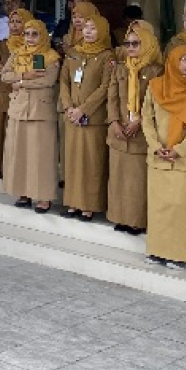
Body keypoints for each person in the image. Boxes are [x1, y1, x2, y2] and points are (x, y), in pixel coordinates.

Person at [142, 45, 186, 269]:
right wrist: (156, 146)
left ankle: (180, 254)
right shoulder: (155, 86)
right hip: (159, 156)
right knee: (159, 207)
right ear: (172, 61)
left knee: (182, 207)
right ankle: (157, 251)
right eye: (185, 59)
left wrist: (179, 149)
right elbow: (147, 119)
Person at [106, 19, 162, 235]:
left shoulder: (157, 70)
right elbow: (111, 97)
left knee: (137, 182)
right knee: (118, 178)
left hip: (142, 132)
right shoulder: (121, 68)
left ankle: (137, 220)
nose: (130, 48)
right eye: (128, 44)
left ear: (147, 44)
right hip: (119, 131)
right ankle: (120, 217)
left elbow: (157, 100)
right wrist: (113, 122)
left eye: (136, 44)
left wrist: (139, 120)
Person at [1, 18, 60, 213]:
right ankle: (23, 193)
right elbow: (4, 76)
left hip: (40, 111)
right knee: (20, 154)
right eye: (27, 34)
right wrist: (25, 76)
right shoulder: (18, 53)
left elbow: (48, 81)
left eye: (35, 34)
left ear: (43, 35)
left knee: (41, 156)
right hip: (19, 109)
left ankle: (43, 197)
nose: (30, 38)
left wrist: (20, 83)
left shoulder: (50, 56)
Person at [59, 15, 114, 221]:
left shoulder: (107, 56)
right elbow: (64, 81)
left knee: (91, 162)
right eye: (86, 28)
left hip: (92, 118)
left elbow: (105, 86)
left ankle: (89, 206)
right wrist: (68, 106)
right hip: (72, 116)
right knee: (72, 161)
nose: (88, 32)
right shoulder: (74, 53)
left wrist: (83, 109)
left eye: (93, 28)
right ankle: (73, 203)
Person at [0, 6, 31, 176]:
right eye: (12, 22)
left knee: (14, 133)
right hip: (2, 92)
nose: (14, 26)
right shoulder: (2, 44)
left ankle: (11, 167)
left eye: (19, 22)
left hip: (21, 92)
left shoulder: (33, 45)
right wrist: (1, 68)